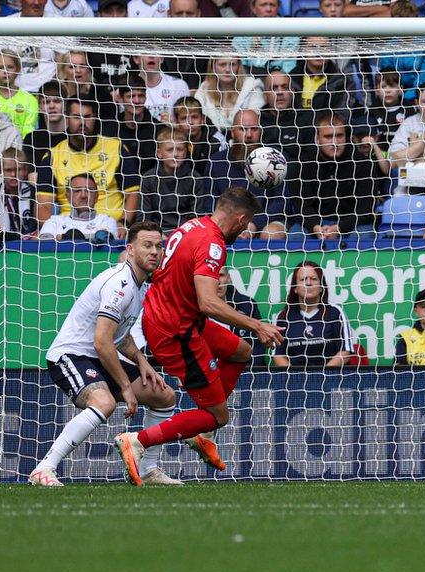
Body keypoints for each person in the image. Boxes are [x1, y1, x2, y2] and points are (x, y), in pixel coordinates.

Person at [114, 188, 285, 487]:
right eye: (246, 225)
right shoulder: (212, 244)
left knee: (241, 351)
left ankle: (203, 433)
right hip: (176, 331)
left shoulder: (193, 225)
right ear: (240, 219)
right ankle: (137, 441)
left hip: (178, 316)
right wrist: (256, 324)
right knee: (220, 416)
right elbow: (208, 302)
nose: (245, 230)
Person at [29, 222, 182, 487]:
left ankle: (148, 469)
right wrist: (126, 387)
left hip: (99, 358)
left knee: (164, 396)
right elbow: (102, 341)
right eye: (147, 245)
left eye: (158, 246)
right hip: (70, 355)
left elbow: (119, 337)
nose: (155, 251)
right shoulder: (119, 284)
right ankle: (44, 468)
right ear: (130, 250)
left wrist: (142, 361)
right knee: (105, 403)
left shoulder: (141, 285)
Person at [35, 98, 139, 235]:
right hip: (67, 232)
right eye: (76, 117)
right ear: (67, 119)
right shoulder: (53, 156)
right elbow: (43, 205)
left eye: (88, 117)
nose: (82, 123)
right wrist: (50, 232)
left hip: (111, 228)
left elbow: (133, 193)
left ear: (95, 118)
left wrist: (124, 223)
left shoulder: (116, 148)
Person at [205, 108, 293, 239]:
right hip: (228, 222)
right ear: (233, 133)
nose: (249, 135)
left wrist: (254, 224)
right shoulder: (216, 162)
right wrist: (233, 224)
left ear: (261, 132)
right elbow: (210, 202)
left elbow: (282, 201)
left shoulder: (275, 159)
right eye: (243, 129)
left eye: (254, 129)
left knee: (270, 234)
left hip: (269, 221)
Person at [299, 112, 382, 242]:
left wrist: (339, 228)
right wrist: (315, 227)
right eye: (328, 137)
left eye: (339, 136)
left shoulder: (363, 163)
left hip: (353, 223)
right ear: (317, 139)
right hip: (316, 222)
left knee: (364, 235)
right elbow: (302, 206)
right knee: (296, 236)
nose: (335, 142)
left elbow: (367, 210)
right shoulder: (305, 164)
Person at [271, 261, 355, 369]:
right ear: (295, 288)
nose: (308, 283)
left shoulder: (335, 313)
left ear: (321, 287)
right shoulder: (282, 318)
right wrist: (295, 378)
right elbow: (278, 356)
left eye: (314, 279)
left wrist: (322, 376)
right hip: (294, 381)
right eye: (303, 279)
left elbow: (345, 352)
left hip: (330, 378)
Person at [137, 126, 203, 234]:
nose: (176, 154)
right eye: (169, 150)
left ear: (185, 153)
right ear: (159, 153)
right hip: (156, 234)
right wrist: (157, 234)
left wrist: (180, 235)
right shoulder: (149, 179)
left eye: (180, 149)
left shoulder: (195, 178)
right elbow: (144, 217)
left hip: (186, 233)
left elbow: (197, 217)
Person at [104, 74, 159, 176]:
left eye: (141, 96)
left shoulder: (158, 129)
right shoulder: (109, 131)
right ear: (120, 98)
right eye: (131, 96)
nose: (137, 101)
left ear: (146, 97)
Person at [38, 173, 120, 241]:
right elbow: (44, 247)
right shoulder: (54, 221)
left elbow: (108, 242)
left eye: (88, 190)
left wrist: (62, 237)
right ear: (68, 197)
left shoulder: (106, 221)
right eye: (77, 191)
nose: (83, 195)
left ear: (96, 197)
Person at [194, 57, 265, 132]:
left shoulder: (253, 87)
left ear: (238, 67)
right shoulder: (203, 90)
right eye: (222, 65)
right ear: (213, 66)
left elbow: (255, 125)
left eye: (233, 65)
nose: (228, 70)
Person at [231, 0, 299, 76]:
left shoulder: (290, 34)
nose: (268, 9)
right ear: (253, 8)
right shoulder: (242, 33)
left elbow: (288, 70)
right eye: (263, 5)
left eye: (272, 5)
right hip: (247, 83)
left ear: (278, 7)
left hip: (278, 83)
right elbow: (240, 68)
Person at [218, 266, 268, 368]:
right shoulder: (194, 308)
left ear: (229, 278)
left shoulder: (247, 305)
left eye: (221, 275)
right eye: (212, 276)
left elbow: (258, 348)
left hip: (245, 374)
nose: (217, 281)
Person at [261, 70, 315, 163]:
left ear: (292, 92)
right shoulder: (257, 122)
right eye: (274, 88)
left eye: (285, 87)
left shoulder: (307, 120)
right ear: (265, 94)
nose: (280, 92)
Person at [171, 96, 228, 179]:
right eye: (184, 118)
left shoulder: (216, 141)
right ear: (176, 122)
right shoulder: (172, 141)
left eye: (194, 117)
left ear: (202, 119)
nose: (190, 122)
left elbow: (222, 175)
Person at [0, 49, 39, 138]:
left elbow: (27, 134)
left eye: (10, 67)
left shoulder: (30, 100)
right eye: (1, 67)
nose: (6, 71)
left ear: (18, 69)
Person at [132, 54, 190, 124]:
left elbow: (186, 122)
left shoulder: (179, 86)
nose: (151, 56)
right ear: (136, 59)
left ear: (162, 58)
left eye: (155, 52)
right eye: (146, 51)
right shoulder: (127, 87)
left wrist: (174, 125)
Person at [22, 81, 67, 171]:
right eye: (46, 102)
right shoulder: (31, 139)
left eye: (57, 101)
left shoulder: (75, 136)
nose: (51, 106)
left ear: (65, 105)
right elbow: (32, 176)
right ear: (40, 107)